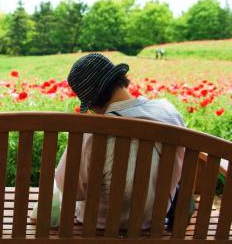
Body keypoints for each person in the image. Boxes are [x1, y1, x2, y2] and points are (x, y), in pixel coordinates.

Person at [54, 53, 185, 230]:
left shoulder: (93, 131)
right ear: (120, 78)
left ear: (92, 104)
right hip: (151, 224)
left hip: (99, 226)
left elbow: (71, 189)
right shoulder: (169, 112)